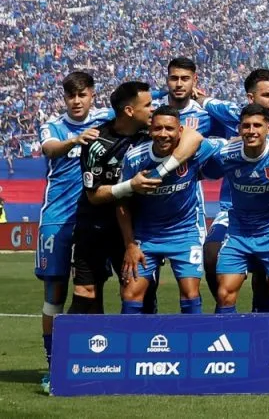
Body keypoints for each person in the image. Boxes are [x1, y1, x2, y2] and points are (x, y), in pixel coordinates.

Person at [74, 81, 202, 321]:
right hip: (95, 225)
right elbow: (94, 195)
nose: (153, 109)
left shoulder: (150, 134)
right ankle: (88, 345)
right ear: (129, 111)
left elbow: (193, 136)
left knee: (140, 293)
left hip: (134, 227)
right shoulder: (96, 142)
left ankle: (143, 343)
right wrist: (130, 185)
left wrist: (161, 170)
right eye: (148, 105)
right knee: (86, 294)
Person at [200, 68, 269, 312]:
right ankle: (223, 314)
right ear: (251, 98)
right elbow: (199, 99)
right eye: (267, 95)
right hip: (232, 210)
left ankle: (262, 317)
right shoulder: (231, 118)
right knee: (211, 254)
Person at [34, 71, 111, 392]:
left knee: (94, 290)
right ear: (64, 98)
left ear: (92, 95)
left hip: (93, 219)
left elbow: (136, 107)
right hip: (57, 220)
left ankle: (97, 362)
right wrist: (74, 141)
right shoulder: (53, 125)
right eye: (71, 96)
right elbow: (50, 149)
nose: (76, 101)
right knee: (55, 293)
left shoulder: (106, 118)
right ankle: (54, 366)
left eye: (82, 95)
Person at [115, 106, 222, 314]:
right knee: (130, 294)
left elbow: (228, 145)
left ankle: (193, 335)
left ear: (180, 131)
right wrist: (130, 244)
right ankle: (130, 336)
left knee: (190, 293)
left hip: (185, 233)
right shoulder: (135, 158)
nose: (163, 134)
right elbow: (121, 203)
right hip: (146, 236)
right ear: (150, 130)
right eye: (158, 128)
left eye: (169, 129)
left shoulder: (196, 150)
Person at [143, 56, 214, 314]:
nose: (179, 84)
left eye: (185, 79)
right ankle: (144, 331)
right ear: (167, 80)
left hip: (187, 208)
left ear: (195, 81)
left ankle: (194, 335)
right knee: (143, 286)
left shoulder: (205, 115)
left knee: (191, 287)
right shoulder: (152, 114)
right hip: (148, 210)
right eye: (174, 78)